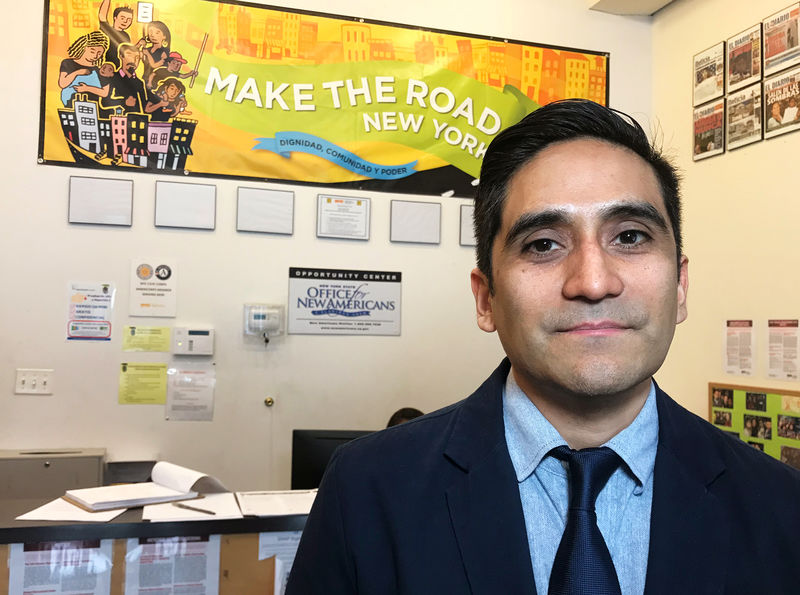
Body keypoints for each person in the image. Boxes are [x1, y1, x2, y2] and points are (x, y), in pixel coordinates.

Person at [286, 99, 800, 594]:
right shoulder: (367, 491)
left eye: (631, 237)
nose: (593, 282)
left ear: (680, 287)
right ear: (486, 298)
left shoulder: (780, 506)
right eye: (543, 244)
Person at [58, 31, 110, 106]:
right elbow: (62, 84)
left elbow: (105, 93)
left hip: (92, 106)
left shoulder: (99, 70)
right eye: (92, 51)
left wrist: (87, 88)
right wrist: (78, 72)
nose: (95, 56)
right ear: (84, 47)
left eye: (99, 53)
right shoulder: (68, 63)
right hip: (70, 105)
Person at [104, 43, 147, 113]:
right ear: (121, 56)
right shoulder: (112, 78)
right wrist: (124, 102)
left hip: (136, 121)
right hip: (115, 119)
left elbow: (144, 107)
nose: (133, 60)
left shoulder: (140, 83)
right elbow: (103, 101)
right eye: (129, 56)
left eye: (137, 58)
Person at [97, 0, 134, 69]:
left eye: (129, 19)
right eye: (122, 18)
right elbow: (102, 15)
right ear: (115, 18)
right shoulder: (107, 29)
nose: (125, 21)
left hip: (118, 68)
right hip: (105, 66)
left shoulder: (126, 35)